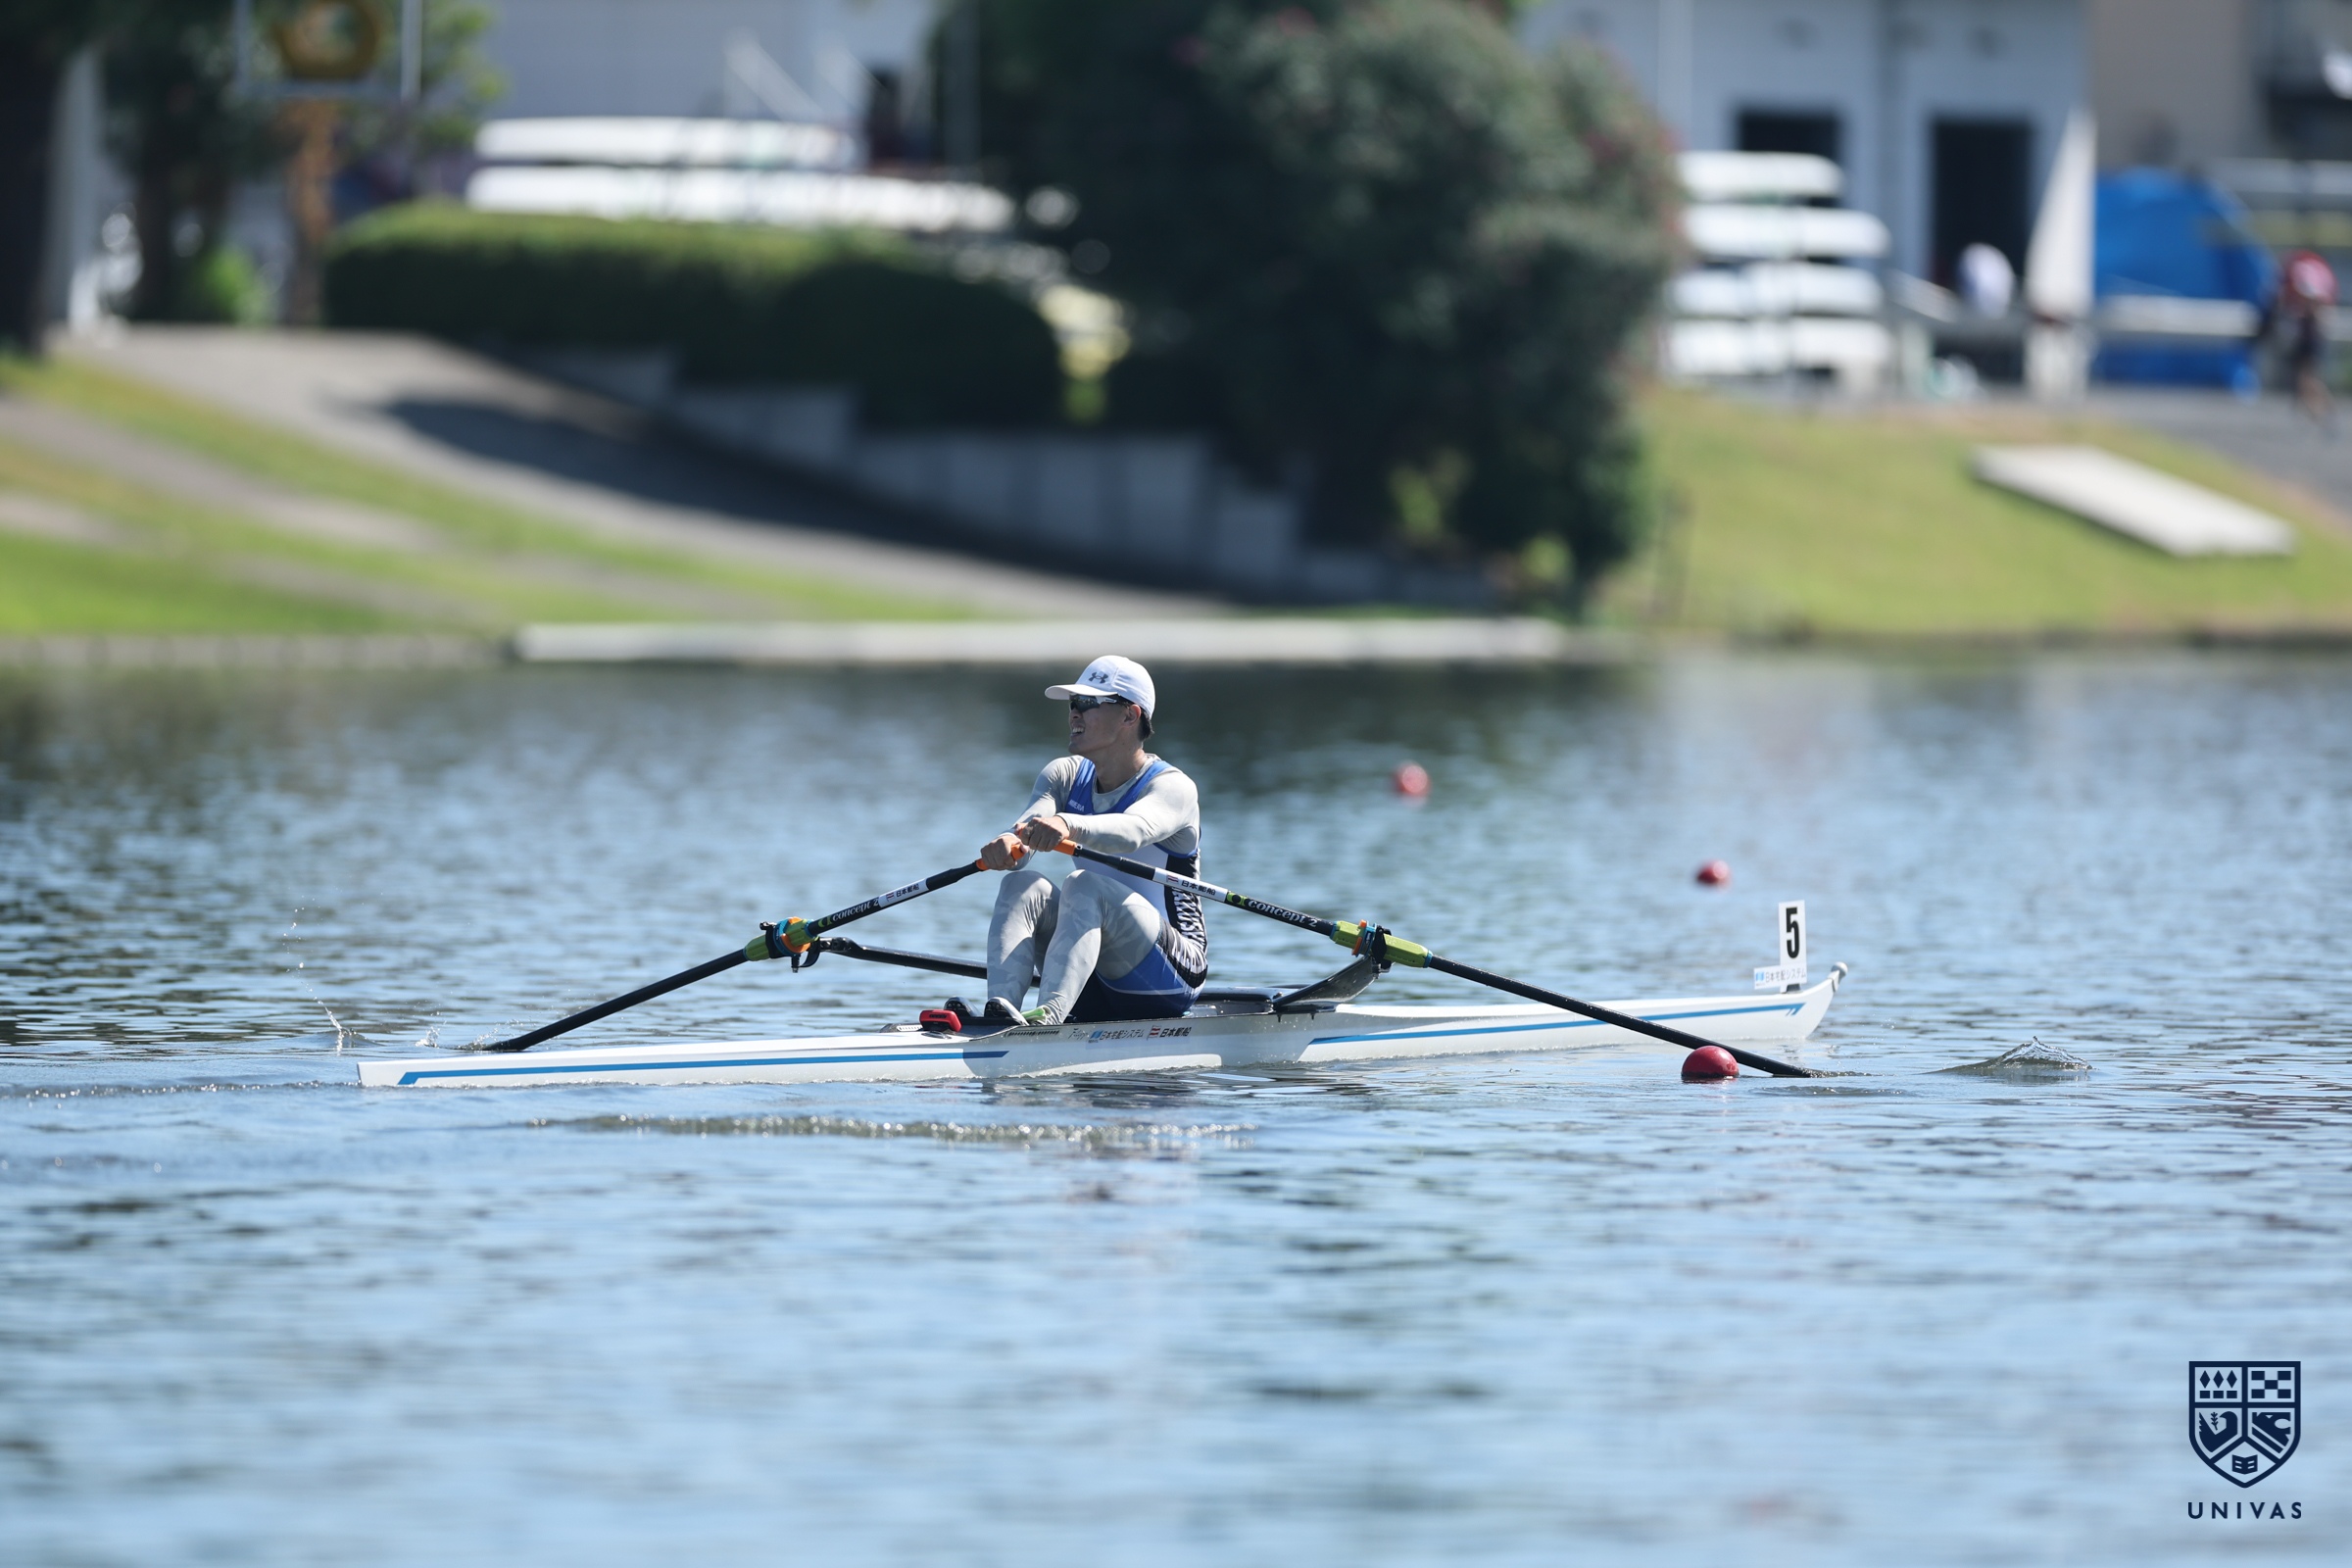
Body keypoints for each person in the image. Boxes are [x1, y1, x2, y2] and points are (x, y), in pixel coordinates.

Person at [971, 656, 1207, 1027]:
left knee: (1084, 884)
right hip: (1095, 973)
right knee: (1021, 884)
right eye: (1072, 704)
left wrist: (1066, 823)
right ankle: (1000, 1015)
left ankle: (1047, 1022)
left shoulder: (1173, 787)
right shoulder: (1063, 775)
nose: (1074, 715)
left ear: (1130, 715)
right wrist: (1008, 845)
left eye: (1087, 703)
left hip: (1172, 973)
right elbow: (1025, 833)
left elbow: (1133, 831)